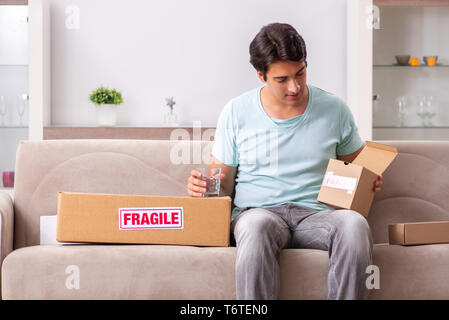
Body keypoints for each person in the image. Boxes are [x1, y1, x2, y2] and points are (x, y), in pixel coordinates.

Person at [187, 22, 382, 300]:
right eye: (282, 79)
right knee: (255, 228)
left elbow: (357, 170)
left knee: (353, 225)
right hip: (258, 213)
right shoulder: (236, 111)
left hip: (317, 216)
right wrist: (203, 188)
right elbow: (222, 186)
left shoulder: (334, 109)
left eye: (300, 73)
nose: (295, 86)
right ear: (260, 75)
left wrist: (367, 180)